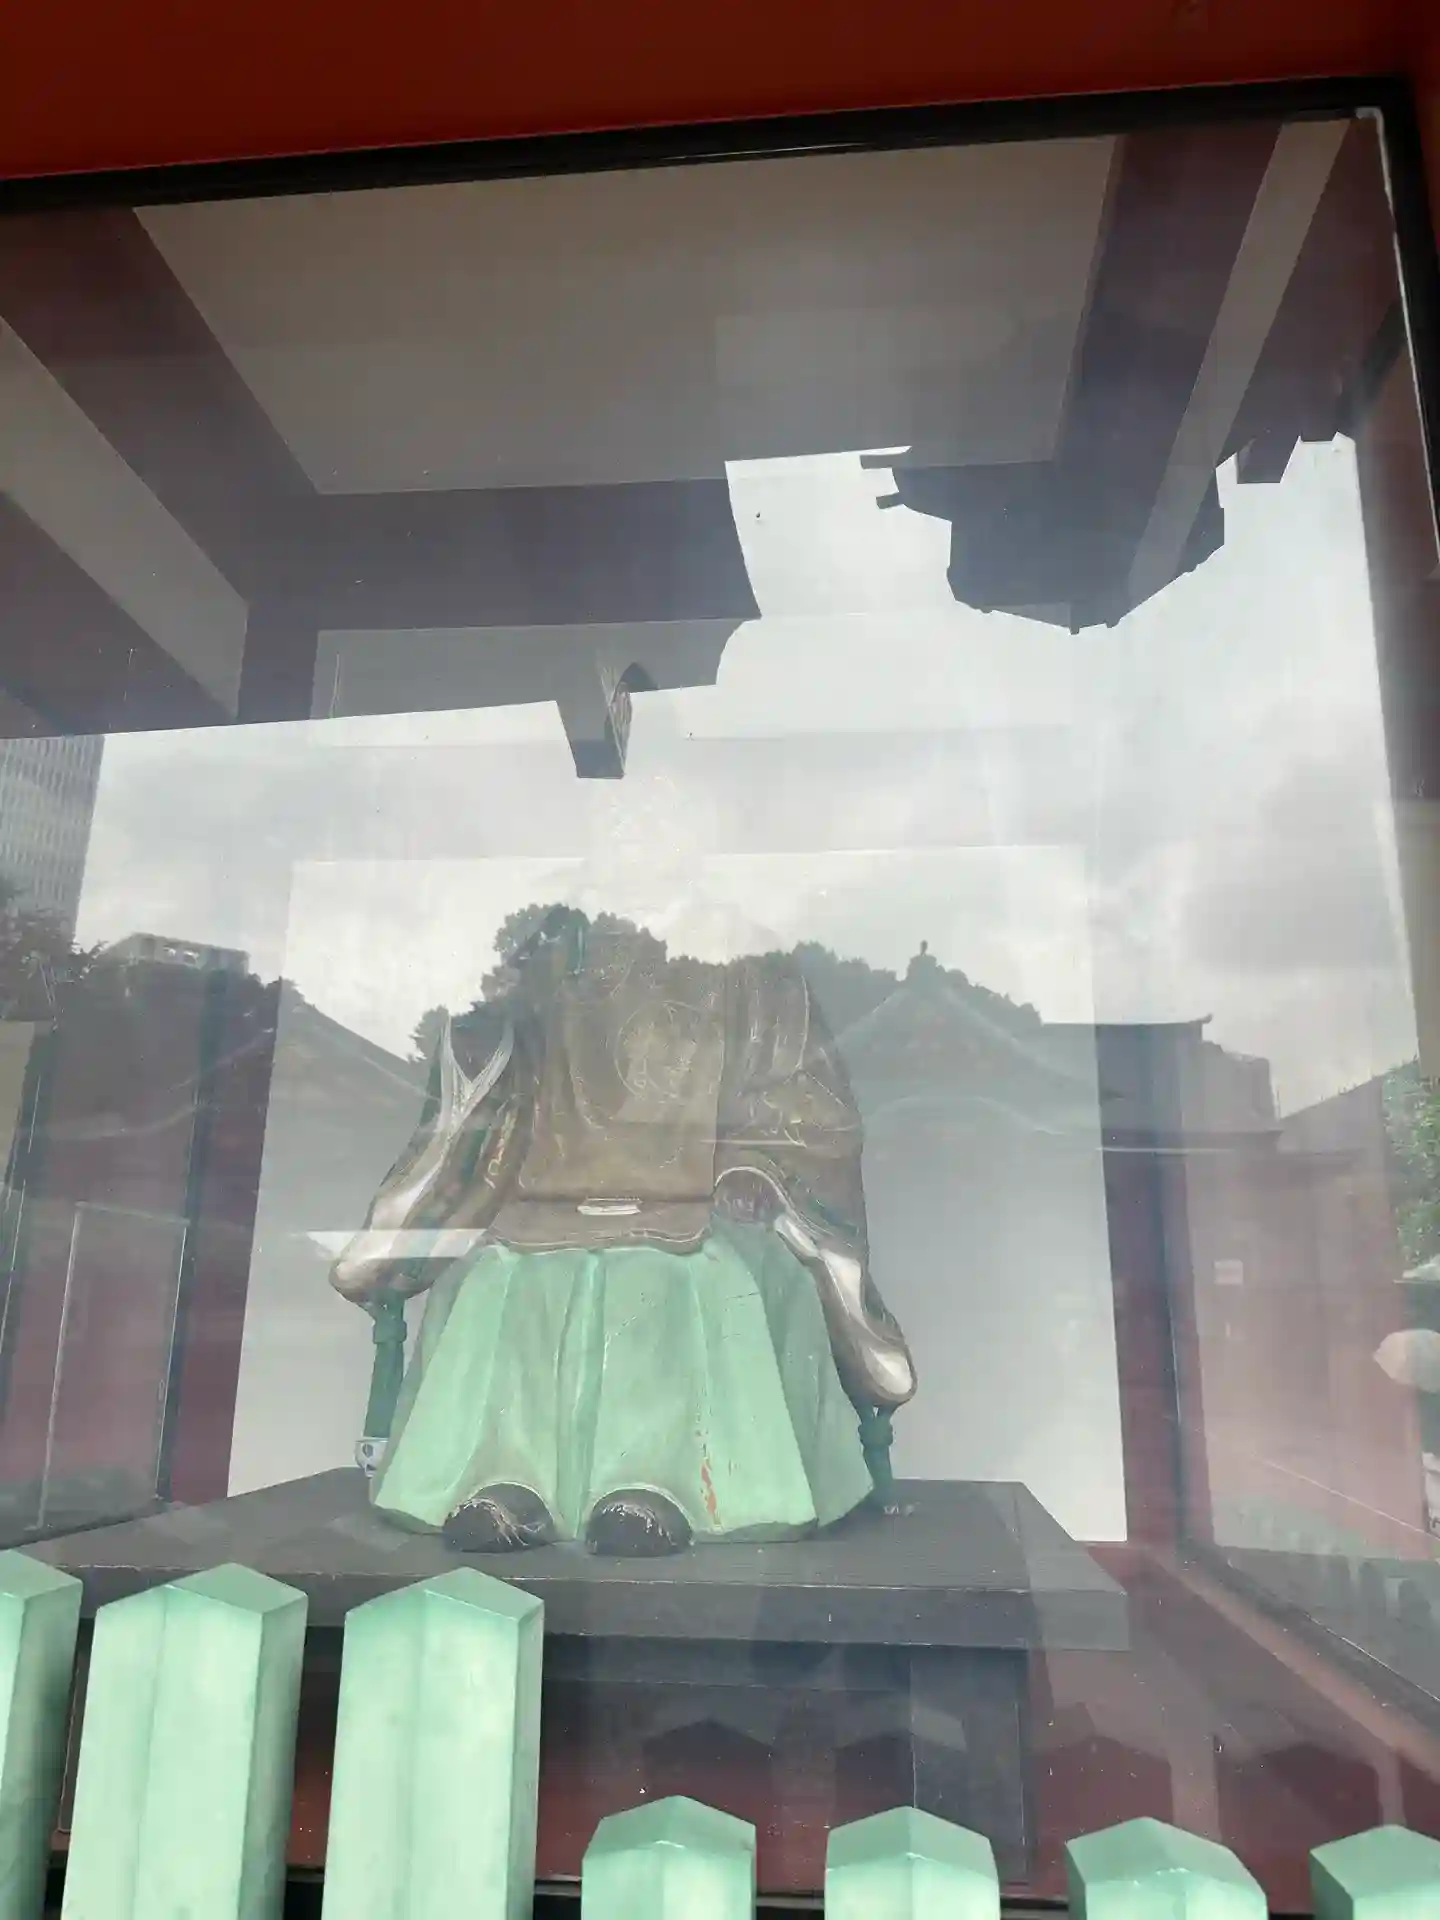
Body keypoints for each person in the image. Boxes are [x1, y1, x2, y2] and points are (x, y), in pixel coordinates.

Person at [331, 907, 915, 1555]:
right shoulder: (551, 948)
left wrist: (751, 1168)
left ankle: (656, 1484)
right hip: (551, 1192)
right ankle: (504, 1479)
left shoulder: (746, 960)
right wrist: (489, 1029)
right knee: (495, 1277)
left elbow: (803, 1104)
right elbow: (493, 1075)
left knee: (677, 1278)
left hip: (705, 1201)